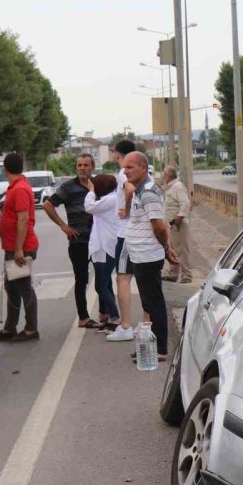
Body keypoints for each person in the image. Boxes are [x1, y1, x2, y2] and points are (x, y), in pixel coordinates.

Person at [123, 151, 178, 361]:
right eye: (125, 167)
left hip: (147, 255)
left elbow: (159, 226)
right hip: (140, 254)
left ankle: (161, 349)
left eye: (130, 167)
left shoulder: (148, 192)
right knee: (149, 303)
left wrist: (166, 249)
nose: (126, 171)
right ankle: (153, 345)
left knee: (154, 303)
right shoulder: (140, 190)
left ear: (144, 168)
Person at [43, 154, 98, 329]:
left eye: (86, 165)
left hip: (99, 239)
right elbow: (48, 205)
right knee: (81, 279)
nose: (82, 168)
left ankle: (105, 313)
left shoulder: (98, 185)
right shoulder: (68, 187)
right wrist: (63, 226)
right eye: (79, 165)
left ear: (93, 167)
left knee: (103, 278)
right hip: (78, 241)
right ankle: (83, 317)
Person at [0, 153, 39, 342]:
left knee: (23, 287)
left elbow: (23, 219)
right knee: (11, 287)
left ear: (5, 169)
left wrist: (19, 248)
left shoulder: (19, 189)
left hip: (21, 247)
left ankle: (31, 329)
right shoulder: (15, 186)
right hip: (12, 245)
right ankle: (10, 327)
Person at [106, 139, 139, 342]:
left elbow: (129, 190)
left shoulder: (122, 174)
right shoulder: (140, 172)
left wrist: (126, 208)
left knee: (122, 279)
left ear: (117, 153)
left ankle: (126, 325)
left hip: (126, 234)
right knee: (141, 279)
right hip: (137, 233)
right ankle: (145, 323)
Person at [83, 173, 120, 330]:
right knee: (106, 284)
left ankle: (115, 317)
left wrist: (91, 190)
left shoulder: (109, 199)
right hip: (102, 246)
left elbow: (89, 207)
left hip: (105, 247)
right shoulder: (111, 198)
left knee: (100, 286)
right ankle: (107, 316)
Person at [160, 165, 192, 284]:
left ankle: (186, 276)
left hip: (178, 224)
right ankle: (173, 274)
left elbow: (185, 203)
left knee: (182, 250)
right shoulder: (171, 187)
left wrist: (179, 216)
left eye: (164, 175)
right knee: (172, 249)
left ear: (168, 175)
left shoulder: (177, 186)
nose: (163, 177)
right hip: (171, 225)